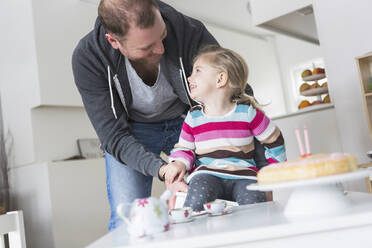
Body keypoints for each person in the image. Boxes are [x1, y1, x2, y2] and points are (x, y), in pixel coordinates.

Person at [166, 45, 287, 211]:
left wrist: (272, 170)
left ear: (220, 79)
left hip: (244, 176)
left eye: (197, 71)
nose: (189, 78)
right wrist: (178, 163)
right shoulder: (193, 117)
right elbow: (184, 148)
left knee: (256, 204)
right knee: (195, 201)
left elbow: (274, 139)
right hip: (206, 174)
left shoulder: (248, 113)